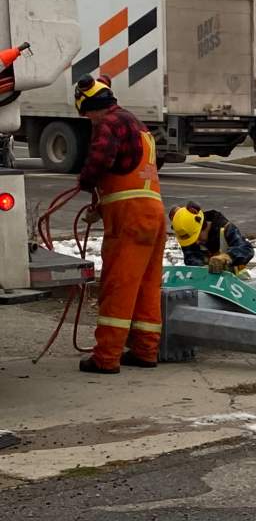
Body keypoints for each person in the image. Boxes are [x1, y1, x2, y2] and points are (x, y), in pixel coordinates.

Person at [73, 75, 167, 374]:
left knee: (119, 285)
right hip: (153, 214)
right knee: (147, 285)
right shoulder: (138, 125)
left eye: (87, 114)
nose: (89, 121)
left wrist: (85, 182)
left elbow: (100, 159)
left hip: (130, 218)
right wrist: (101, 206)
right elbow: (130, 171)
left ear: (91, 107)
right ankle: (145, 350)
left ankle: (106, 357)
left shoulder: (109, 123)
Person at [169, 202, 254, 277]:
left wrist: (227, 257)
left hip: (236, 281)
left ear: (203, 226)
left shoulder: (226, 229)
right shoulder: (189, 232)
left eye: (197, 237)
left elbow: (246, 249)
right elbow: (190, 258)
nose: (196, 242)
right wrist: (203, 267)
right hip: (208, 283)